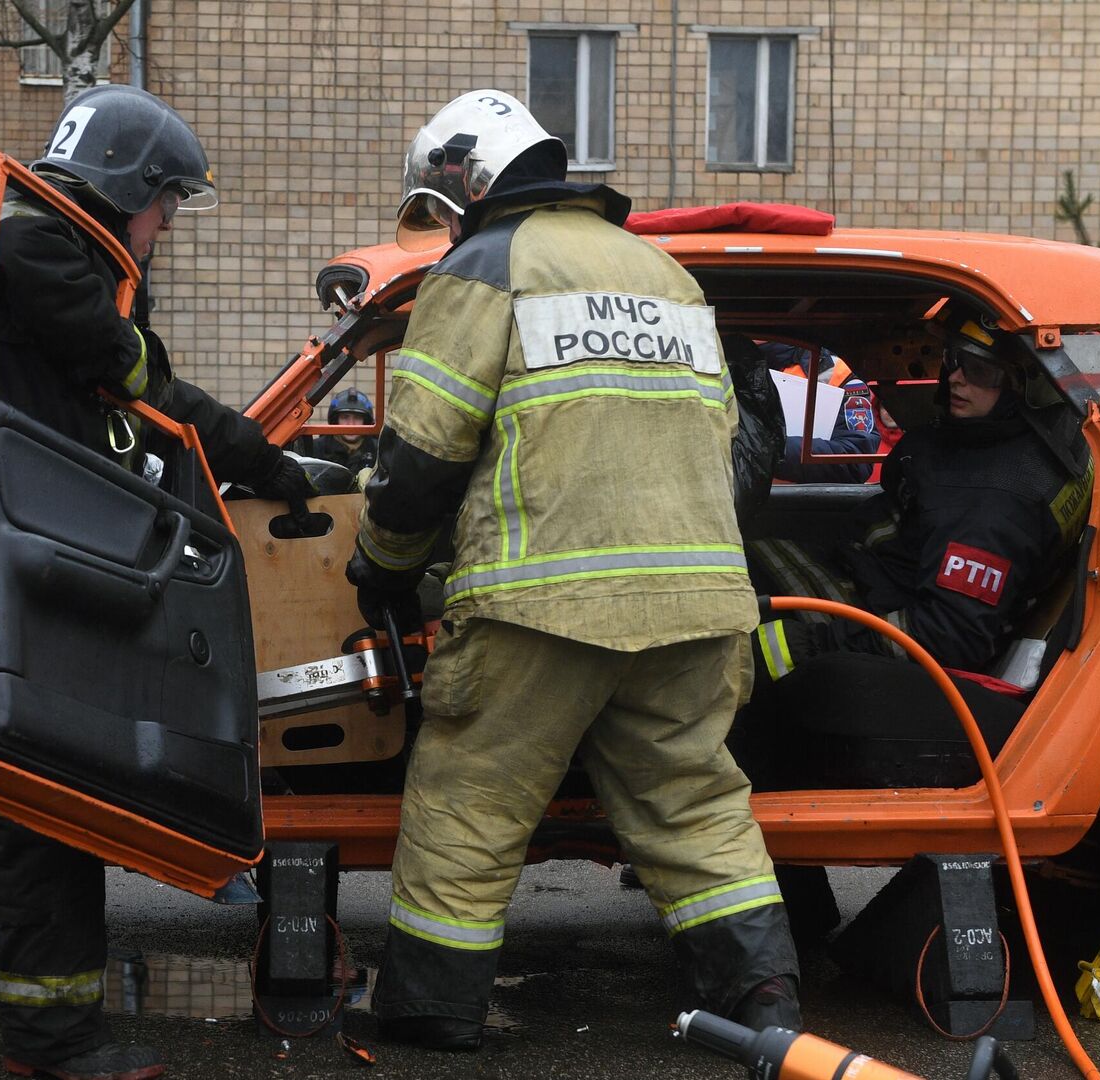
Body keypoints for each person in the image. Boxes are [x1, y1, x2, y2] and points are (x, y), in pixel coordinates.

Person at [0, 85, 312, 1080]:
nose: (166, 228)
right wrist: (259, 458)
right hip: (21, 552)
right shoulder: (41, 253)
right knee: (51, 788)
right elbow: (141, 395)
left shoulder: (13, 247)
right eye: (166, 204)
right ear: (128, 186)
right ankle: (54, 1039)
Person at [344, 90, 801, 1052]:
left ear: (465, 183)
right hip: (699, 603)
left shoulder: (484, 265)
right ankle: (763, 1001)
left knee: (470, 797)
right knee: (696, 803)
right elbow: (727, 446)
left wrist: (381, 569)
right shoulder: (666, 275)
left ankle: (433, 1009)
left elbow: (422, 456)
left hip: (540, 608)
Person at [747, 315, 1093, 711]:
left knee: (743, 642)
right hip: (881, 577)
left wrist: (814, 645)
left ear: (1024, 381)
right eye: (954, 359)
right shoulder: (1011, 444)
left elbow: (948, 636)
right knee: (741, 559)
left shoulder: (995, 503)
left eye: (979, 370)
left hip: (889, 623)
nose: (957, 378)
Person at [763, 343, 878, 483]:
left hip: (801, 502)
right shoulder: (729, 366)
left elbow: (856, 460)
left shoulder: (837, 373)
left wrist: (767, 448)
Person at [296, 388, 378, 476]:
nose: (351, 424)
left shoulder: (377, 450)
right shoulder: (316, 449)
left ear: (365, 421)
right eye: (345, 417)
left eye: (357, 418)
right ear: (335, 420)